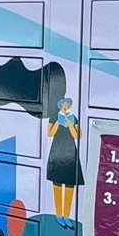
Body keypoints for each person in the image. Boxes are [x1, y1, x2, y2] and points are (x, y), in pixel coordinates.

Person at [46, 96, 83, 227]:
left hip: (70, 151)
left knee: (69, 185)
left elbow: (78, 135)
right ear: (60, 105)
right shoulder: (54, 117)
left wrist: (70, 125)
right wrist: (58, 122)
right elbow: (49, 134)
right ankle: (58, 215)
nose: (66, 107)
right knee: (57, 183)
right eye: (64, 105)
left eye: (68, 105)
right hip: (57, 150)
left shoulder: (73, 118)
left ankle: (66, 216)